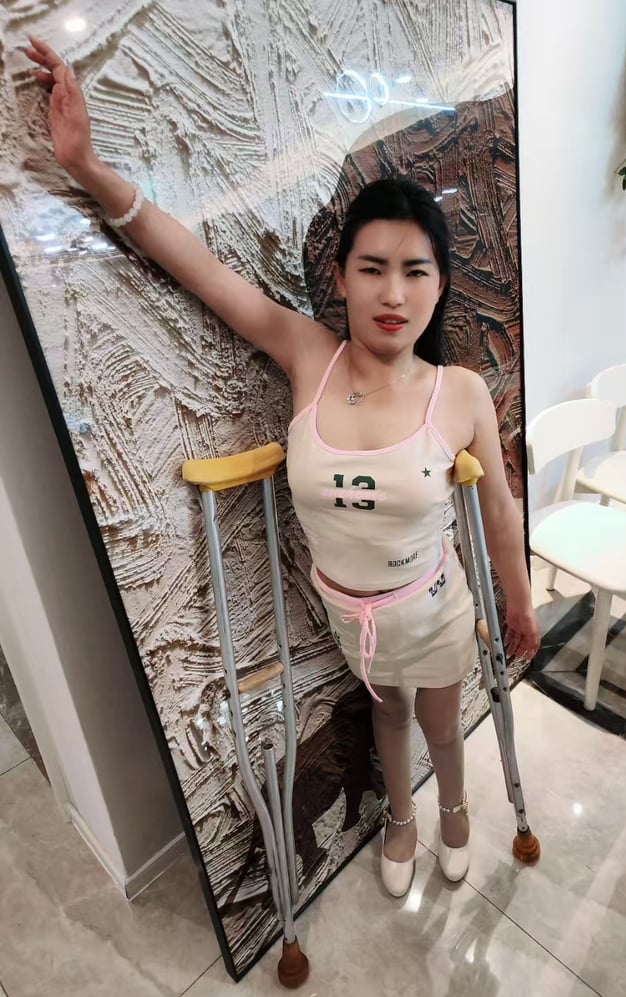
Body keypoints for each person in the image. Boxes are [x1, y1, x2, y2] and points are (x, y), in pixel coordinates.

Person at [23, 36, 540, 898]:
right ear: (341, 277)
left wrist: (518, 600)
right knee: (388, 717)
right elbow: (200, 271)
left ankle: (452, 810)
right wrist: (87, 168)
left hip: (435, 609)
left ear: (439, 286)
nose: (393, 293)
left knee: (444, 725)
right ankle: (402, 819)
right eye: (373, 269)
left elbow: (497, 512)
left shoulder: (459, 393)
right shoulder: (310, 355)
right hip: (350, 616)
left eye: (415, 272)